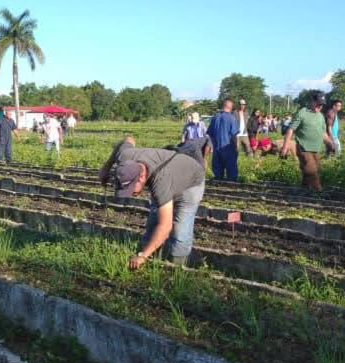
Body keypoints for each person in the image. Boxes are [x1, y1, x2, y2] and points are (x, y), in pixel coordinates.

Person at [98, 138, 205, 269]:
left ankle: (177, 267)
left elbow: (165, 226)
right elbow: (128, 139)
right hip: (167, 173)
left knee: (180, 230)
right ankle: (149, 257)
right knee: (153, 222)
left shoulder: (161, 182)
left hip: (191, 182)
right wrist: (106, 167)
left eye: (131, 187)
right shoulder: (125, 156)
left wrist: (143, 256)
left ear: (142, 177)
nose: (130, 193)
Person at [281, 92, 332, 190]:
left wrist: (330, 143)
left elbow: (323, 133)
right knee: (312, 170)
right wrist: (285, 146)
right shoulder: (303, 113)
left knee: (314, 169)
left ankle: (305, 189)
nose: (320, 106)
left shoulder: (320, 116)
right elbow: (291, 129)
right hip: (304, 147)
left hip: (316, 148)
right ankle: (318, 190)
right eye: (318, 103)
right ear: (312, 102)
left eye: (321, 104)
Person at [207, 99, 239, 181]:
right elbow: (234, 135)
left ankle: (217, 183)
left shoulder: (215, 117)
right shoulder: (232, 118)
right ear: (231, 107)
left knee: (217, 174)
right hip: (228, 148)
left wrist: (211, 146)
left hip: (217, 148)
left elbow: (210, 134)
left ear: (223, 106)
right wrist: (236, 146)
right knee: (231, 174)